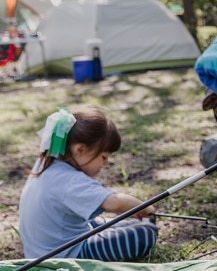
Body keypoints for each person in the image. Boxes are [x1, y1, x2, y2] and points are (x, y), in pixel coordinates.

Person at [19, 107, 158, 262]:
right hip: (64, 256)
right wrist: (146, 208)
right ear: (80, 149)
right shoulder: (69, 180)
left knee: (97, 222)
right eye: (104, 157)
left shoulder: (47, 163)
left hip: (42, 250)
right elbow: (115, 202)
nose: (105, 164)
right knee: (144, 233)